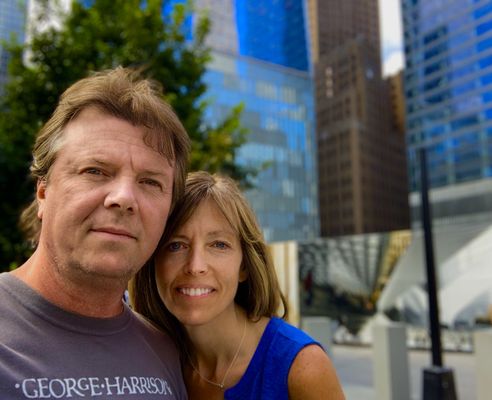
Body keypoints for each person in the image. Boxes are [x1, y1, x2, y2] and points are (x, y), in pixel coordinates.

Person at [0, 67, 190, 399]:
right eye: (95, 171)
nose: (124, 198)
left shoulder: (168, 353)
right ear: (43, 192)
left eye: (150, 182)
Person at [131, 171, 345, 400]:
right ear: (152, 262)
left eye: (218, 245)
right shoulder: (153, 362)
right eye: (176, 245)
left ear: (244, 266)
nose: (195, 266)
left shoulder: (303, 366)